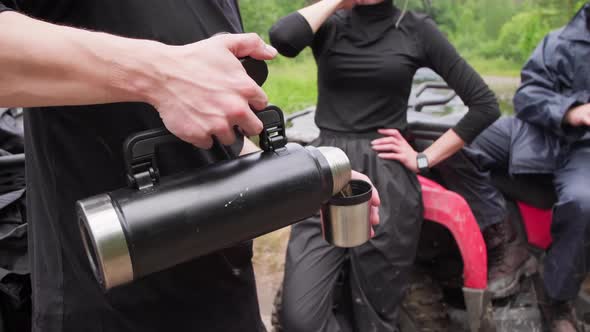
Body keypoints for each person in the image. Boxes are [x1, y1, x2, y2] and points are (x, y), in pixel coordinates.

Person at [0, 1, 380, 331]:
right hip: (111, 309)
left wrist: (303, 174)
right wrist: (157, 74)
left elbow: (219, 141)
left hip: (229, 299)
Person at [269, 0, 500, 330]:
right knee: (299, 318)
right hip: (327, 168)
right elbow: (282, 39)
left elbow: (484, 104)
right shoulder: (331, 23)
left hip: (386, 175)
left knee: (375, 314)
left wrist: (423, 157)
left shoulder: (416, 29)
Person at [439, 4, 590, 332]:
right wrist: (571, 111)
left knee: (583, 202)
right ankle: (502, 238)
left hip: (584, 154)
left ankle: (558, 302)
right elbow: (527, 95)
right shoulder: (560, 41)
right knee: (450, 142)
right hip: (539, 133)